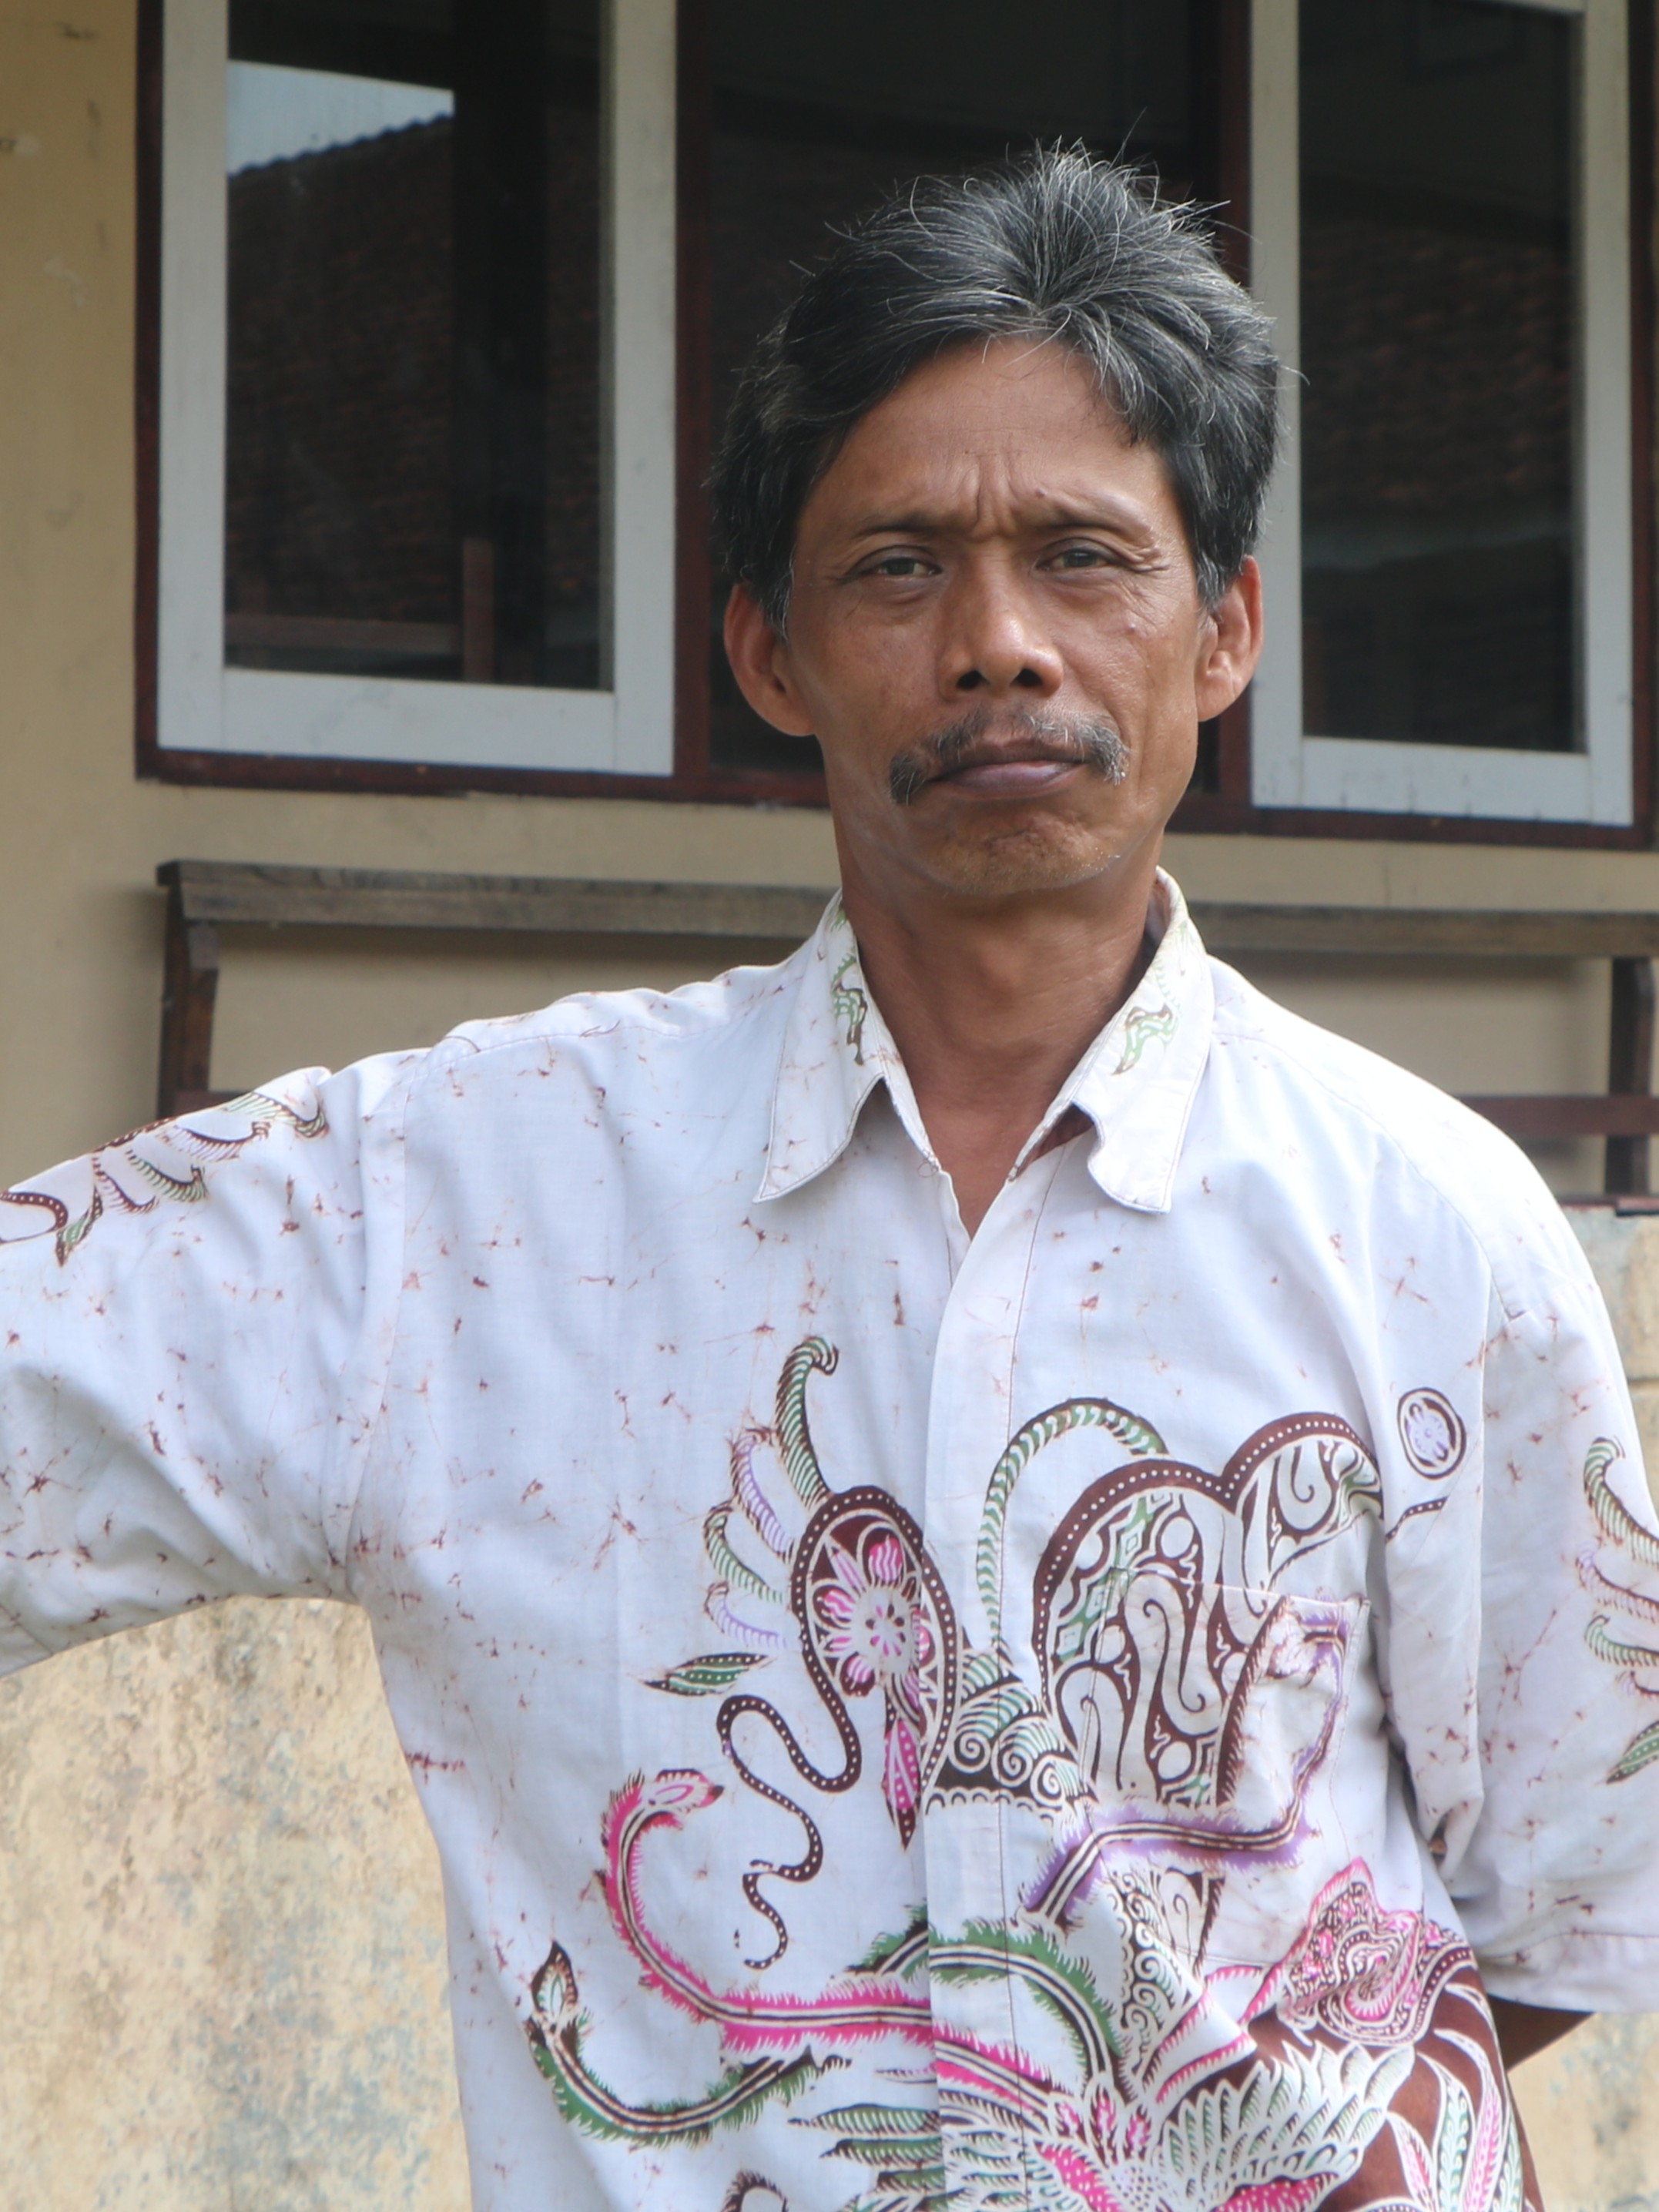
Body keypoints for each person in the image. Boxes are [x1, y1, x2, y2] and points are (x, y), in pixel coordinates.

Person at [2, 149, 1656, 2212]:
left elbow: (1558, 1905)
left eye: (1083, 557)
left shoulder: (1423, 1224)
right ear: (768, 654)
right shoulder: (459, 1204)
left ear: (1224, 631)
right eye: (895, 568)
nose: (998, 645)